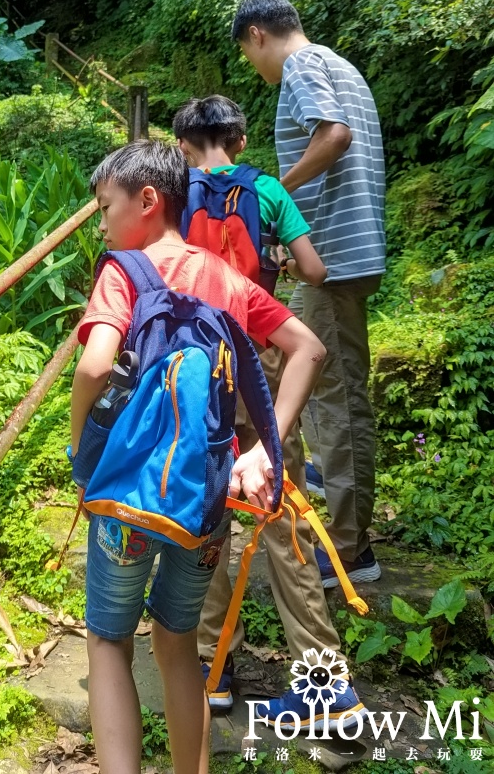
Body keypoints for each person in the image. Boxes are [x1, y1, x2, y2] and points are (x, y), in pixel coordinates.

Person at [71, 140, 336, 774]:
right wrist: (260, 451)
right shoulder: (226, 279)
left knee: (108, 641)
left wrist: (81, 444)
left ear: (147, 200)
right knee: (176, 640)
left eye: (105, 207)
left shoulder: (124, 271)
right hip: (207, 493)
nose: (101, 222)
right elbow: (309, 349)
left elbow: (95, 363)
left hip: (128, 495)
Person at [173, 95, 351, 720]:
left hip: (195, 365)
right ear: (242, 141)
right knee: (286, 515)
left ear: (182, 145)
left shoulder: (170, 191)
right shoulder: (270, 189)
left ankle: (211, 667)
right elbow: (316, 269)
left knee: (204, 514)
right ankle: (323, 682)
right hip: (266, 357)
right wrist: (271, 261)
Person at [231, 0, 386, 590]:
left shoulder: (301, 66)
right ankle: (313, 470)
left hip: (338, 263)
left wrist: (273, 191)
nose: (256, 68)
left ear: (258, 37)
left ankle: (351, 549)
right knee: (290, 369)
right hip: (337, 255)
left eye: (249, 55)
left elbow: (334, 136)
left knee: (338, 401)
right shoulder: (338, 63)